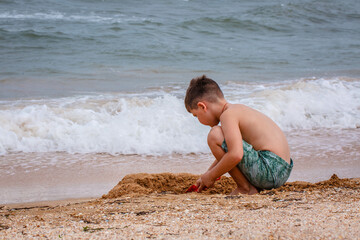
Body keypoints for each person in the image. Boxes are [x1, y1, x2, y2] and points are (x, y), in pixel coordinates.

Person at [184, 75, 293, 195]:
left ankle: (245, 188)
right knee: (225, 142)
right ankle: (248, 186)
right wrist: (207, 174)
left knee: (214, 135)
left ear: (202, 106)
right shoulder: (237, 110)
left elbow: (235, 155)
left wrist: (211, 176)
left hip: (270, 170)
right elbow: (228, 151)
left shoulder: (228, 115)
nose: (198, 120)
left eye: (196, 115)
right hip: (280, 170)